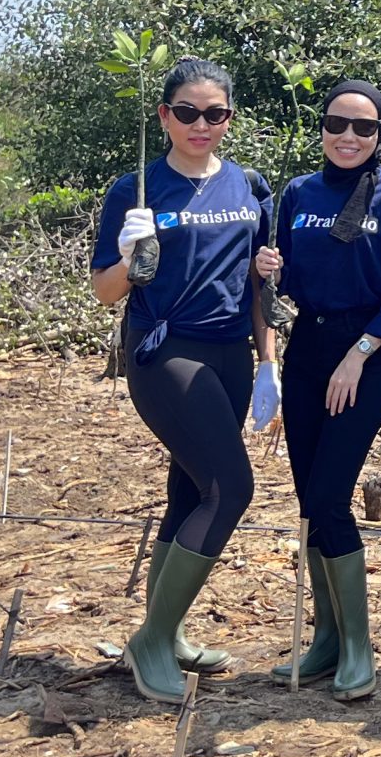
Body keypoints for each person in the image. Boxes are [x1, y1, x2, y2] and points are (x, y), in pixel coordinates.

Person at [92, 57, 277, 704]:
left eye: (216, 113)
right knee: (230, 490)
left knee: (189, 492)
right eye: (189, 112)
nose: (203, 125)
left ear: (229, 118)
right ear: (165, 116)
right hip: (164, 351)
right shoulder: (136, 190)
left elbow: (261, 284)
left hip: (231, 355)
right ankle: (151, 641)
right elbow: (102, 292)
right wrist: (129, 261)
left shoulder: (251, 186)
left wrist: (268, 361)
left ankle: (165, 635)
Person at [254, 79, 381, 701]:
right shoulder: (299, 192)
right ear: (322, 128)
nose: (349, 137)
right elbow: (293, 279)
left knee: (331, 497)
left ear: (379, 134)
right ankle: (325, 637)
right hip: (308, 351)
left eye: (364, 128)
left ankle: (360, 647)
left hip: (365, 354)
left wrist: (361, 353)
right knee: (309, 502)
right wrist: (270, 271)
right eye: (337, 124)